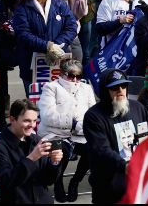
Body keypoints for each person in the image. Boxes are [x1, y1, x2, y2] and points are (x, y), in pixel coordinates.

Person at [83, 68, 148, 204]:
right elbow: (101, 149)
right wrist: (125, 166)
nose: (120, 90)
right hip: (109, 185)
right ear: (105, 91)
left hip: (138, 180)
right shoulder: (93, 116)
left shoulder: (138, 108)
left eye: (123, 86)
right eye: (114, 87)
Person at [11, 0, 78, 92]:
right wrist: (47, 46)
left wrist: (57, 46)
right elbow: (23, 33)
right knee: (35, 101)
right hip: (30, 63)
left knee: (58, 99)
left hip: (57, 62)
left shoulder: (60, 4)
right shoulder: (22, 7)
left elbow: (71, 27)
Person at [38, 60, 96, 203]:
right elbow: (47, 116)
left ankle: (75, 181)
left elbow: (93, 113)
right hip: (55, 133)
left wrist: (81, 127)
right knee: (60, 150)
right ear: (62, 74)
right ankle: (58, 183)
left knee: (94, 150)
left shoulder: (86, 88)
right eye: (71, 76)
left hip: (80, 134)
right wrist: (73, 123)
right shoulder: (51, 87)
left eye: (78, 76)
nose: (75, 80)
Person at [0, 100, 62, 204]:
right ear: (12, 119)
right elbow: (6, 182)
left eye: (34, 120)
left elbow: (48, 180)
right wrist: (31, 158)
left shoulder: (36, 140)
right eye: (27, 121)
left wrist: (54, 162)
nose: (32, 125)